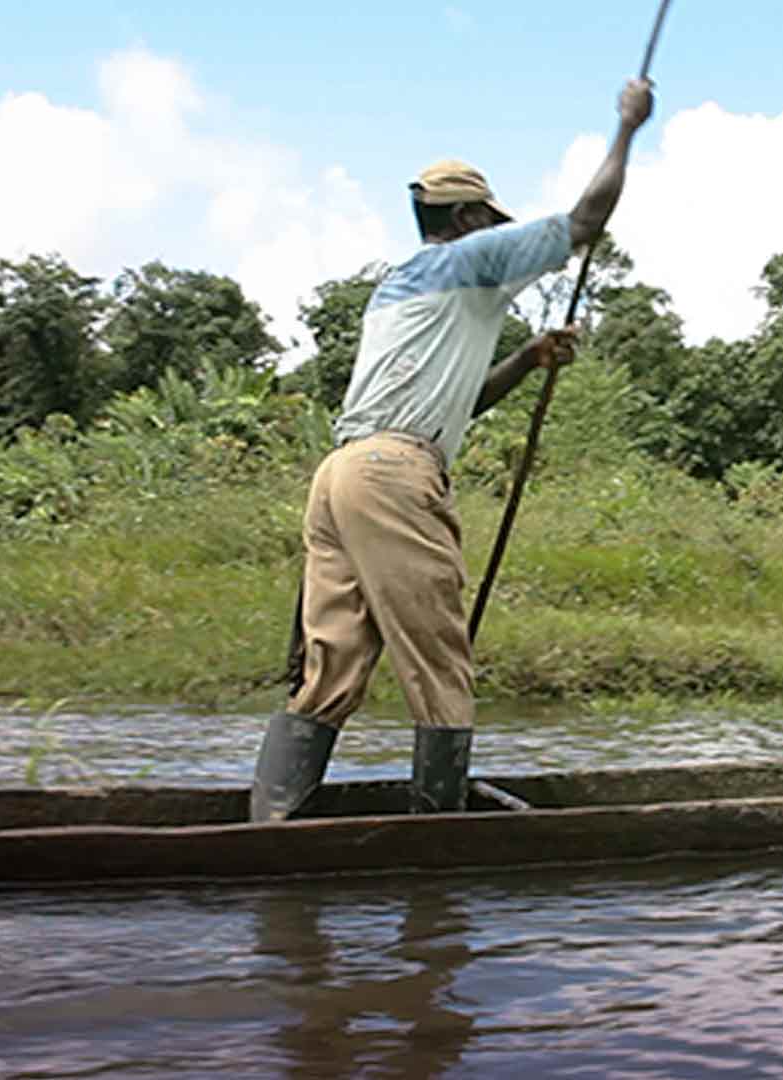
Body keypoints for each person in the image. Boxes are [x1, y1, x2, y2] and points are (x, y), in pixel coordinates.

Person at [251, 77, 655, 822]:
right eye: (485, 220)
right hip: (396, 475)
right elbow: (586, 220)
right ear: (466, 218)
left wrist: (530, 357)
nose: (493, 232)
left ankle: (271, 826)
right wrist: (628, 127)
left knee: (330, 665)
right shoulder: (468, 261)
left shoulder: (402, 287)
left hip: (340, 475)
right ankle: (440, 832)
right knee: (441, 658)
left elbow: (458, 401)